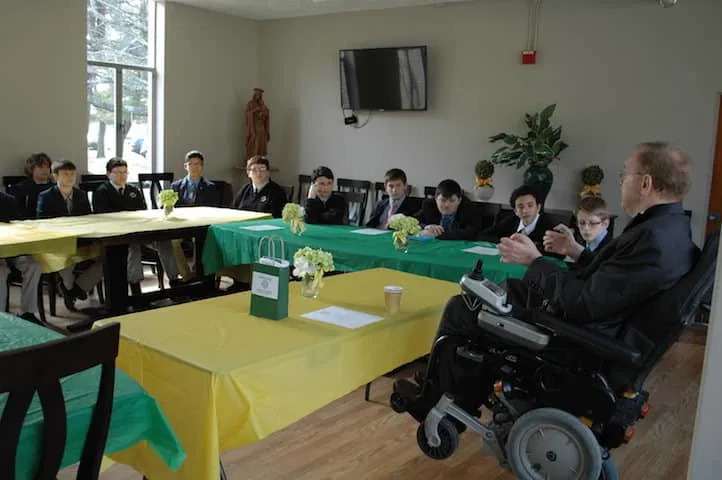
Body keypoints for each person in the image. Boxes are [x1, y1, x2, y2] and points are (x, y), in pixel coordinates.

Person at [399, 142, 697, 417]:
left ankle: (437, 402)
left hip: (577, 334)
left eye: (625, 174)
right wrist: (578, 253)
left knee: (463, 307)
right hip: (595, 323)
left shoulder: (654, 238)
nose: (620, 181)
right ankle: (456, 392)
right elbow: (616, 284)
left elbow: (585, 303)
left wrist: (535, 260)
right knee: (501, 291)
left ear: (646, 183)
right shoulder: (670, 228)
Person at [92, 158, 183, 294]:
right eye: (117, 172)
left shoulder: (133, 190)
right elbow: (104, 216)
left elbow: (142, 211)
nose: (122, 176)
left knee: (164, 241)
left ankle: (174, 279)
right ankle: (135, 286)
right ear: (108, 174)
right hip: (118, 236)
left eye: (124, 172)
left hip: (141, 231)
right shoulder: (101, 191)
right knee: (132, 246)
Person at [37, 160, 104, 310]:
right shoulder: (46, 196)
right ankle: (68, 288)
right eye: (65, 174)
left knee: (106, 257)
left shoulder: (81, 195)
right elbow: (43, 222)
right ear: (55, 176)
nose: (70, 177)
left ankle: (75, 290)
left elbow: (88, 219)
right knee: (66, 259)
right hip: (58, 243)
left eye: (73, 174)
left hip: (82, 241)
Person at [0, 191, 42, 324]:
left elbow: (17, 226)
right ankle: (2, 318)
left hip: (11, 249)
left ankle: (27, 312)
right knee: (0, 271)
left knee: (33, 265)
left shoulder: (8, 200)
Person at [477, 185, 557, 249]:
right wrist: (506, 242)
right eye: (520, 207)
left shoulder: (550, 226)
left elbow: (558, 254)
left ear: (538, 208)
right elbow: (484, 235)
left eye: (530, 206)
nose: (525, 210)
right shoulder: (510, 221)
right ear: (515, 211)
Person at [548, 196, 613, 263]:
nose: (586, 228)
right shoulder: (582, 240)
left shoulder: (612, 251)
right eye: (581, 223)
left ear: (605, 224)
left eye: (592, 223)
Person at [414, 179, 480, 240]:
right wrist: (426, 227)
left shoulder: (468, 208)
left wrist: (436, 235)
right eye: (443, 200)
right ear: (436, 199)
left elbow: (471, 233)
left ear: (459, 201)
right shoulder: (429, 205)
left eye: (452, 200)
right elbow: (412, 221)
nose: (447, 205)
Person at [13, 152, 54, 220]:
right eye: (40, 167)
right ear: (31, 169)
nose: (45, 170)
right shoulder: (21, 188)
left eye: (47, 167)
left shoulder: (55, 188)